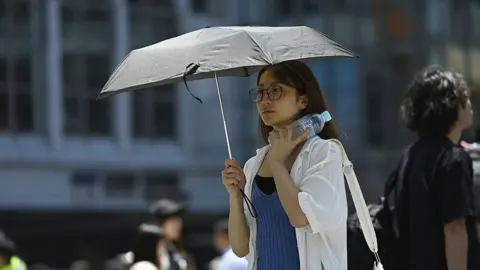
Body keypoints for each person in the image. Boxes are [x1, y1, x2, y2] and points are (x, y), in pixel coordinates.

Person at [221, 60, 348, 270]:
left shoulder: (324, 153)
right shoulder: (254, 164)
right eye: (260, 92)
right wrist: (235, 195)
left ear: (303, 100)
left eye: (276, 91)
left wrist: (278, 164)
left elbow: (300, 217)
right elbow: (241, 247)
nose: (265, 101)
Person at [396, 65, 479, 270]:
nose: (470, 105)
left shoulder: (410, 156)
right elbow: (455, 228)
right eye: (465, 98)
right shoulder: (454, 159)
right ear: (451, 106)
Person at [149, 199, 188, 270]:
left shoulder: (175, 254)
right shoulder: (146, 252)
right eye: (173, 220)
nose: (179, 225)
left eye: (179, 220)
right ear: (159, 224)